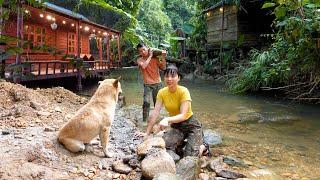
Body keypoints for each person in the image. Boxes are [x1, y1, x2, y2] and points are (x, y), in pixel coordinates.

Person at [144, 64, 209, 157]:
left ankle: (204, 146)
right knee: (166, 146)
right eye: (167, 76)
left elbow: (183, 115)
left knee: (190, 157)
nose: (169, 79)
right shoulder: (162, 92)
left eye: (173, 76)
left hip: (191, 125)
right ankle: (183, 144)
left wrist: (167, 119)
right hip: (177, 126)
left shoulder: (184, 91)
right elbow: (155, 113)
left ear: (178, 78)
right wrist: (147, 133)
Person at [136, 43, 166, 122]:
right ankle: (144, 121)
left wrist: (163, 57)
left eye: (144, 50)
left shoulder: (155, 58)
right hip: (147, 84)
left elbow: (163, 67)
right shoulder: (139, 60)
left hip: (158, 83)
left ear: (147, 49)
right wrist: (150, 56)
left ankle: (156, 120)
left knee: (157, 103)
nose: (143, 52)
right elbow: (143, 66)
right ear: (139, 53)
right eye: (140, 51)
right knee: (146, 102)